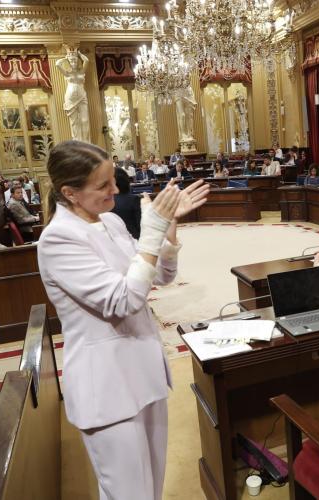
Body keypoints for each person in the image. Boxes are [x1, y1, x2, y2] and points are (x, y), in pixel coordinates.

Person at [37, 140, 209, 499]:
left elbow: (159, 276)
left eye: (113, 180)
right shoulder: (58, 240)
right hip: (108, 385)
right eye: (103, 185)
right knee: (128, 494)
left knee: (152, 487)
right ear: (69, 193)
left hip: (143, 371)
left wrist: (168, 225)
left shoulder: (111, 221)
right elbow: (124, 300)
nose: (115, 190)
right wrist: (151, 232)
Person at [112, 166, 142, 240]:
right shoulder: (134, 199)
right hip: (133, 239)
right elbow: (140, 225)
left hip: (113, 240)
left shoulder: (104, 202)